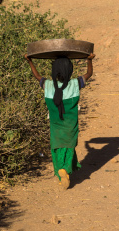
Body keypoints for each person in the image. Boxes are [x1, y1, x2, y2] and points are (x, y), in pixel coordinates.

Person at [25, 52, 95, 189]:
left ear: (54, 71)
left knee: (56, 148)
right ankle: (65, 169)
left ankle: (60, 173)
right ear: (70, 70)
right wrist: (89, 60)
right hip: (70, 124)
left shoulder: (48, 85)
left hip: (55, 125)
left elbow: (37, 76)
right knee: (69, 147)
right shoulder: (75, 84)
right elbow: (89, 73)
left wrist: (30, 61)